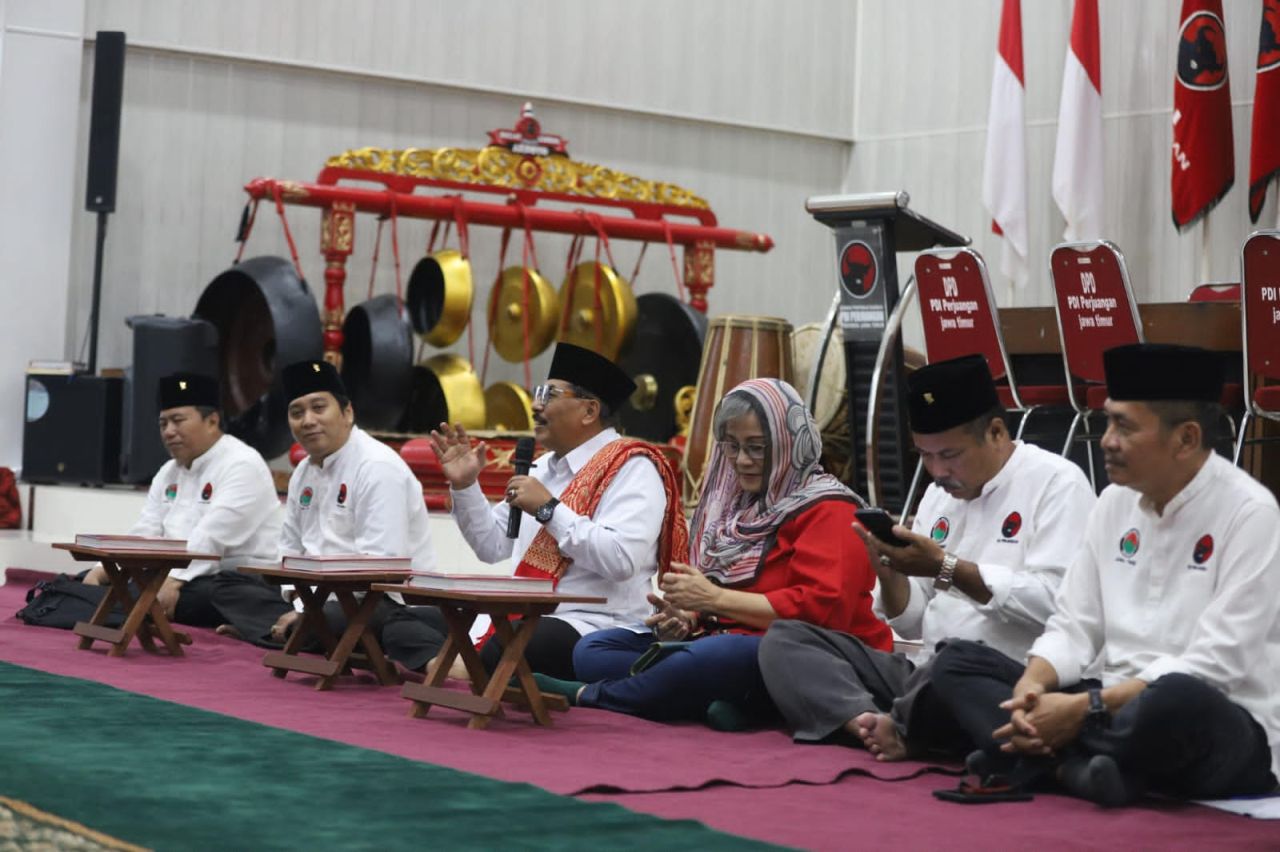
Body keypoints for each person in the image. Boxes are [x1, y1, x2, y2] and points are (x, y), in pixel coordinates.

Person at [929, 344, 1280, 806]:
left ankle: (1054, 762)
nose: (1107, 440)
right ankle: (1084, 766)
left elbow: (1215, 665)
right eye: (1108, 421)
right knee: (956, 662)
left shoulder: (1250, 513)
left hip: (1218, 721)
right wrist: (1032, 687)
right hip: (1108, 705)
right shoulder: (1114, 502)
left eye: (1124, 426)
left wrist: (1081, 710)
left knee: (1178, 696)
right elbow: (1074, 624)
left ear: (1186, 439)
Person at [758, 354, 1095, 759]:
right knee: (785, 638)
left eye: (949, 455)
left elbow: (1057, 604)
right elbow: (914, 620)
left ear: (996, 432)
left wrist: (947, 569)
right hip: (923, 674)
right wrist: (890, 571)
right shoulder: (940, 494)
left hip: (1001, 678)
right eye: (924, 456)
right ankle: (865, 720)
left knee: (955, 659)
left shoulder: (1057, 484)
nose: (936, 471)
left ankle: (904, 726)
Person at [534, 378, 892, 727]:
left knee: (712, 657)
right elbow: (714, 600)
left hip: (802, 652)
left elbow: (819, 612)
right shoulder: (734, 506)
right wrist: (687, 617)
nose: (742, 460)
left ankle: (589, 695)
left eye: (757, 447)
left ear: (790, 443)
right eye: (732, 446)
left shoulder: (829, 507)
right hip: (722, 639)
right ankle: (733, 702)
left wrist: (716, 600)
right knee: (595, 650)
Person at [421, 342, 686, 680]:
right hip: (522, 615)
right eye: (538, 392)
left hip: (591, 623)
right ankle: (464, 668)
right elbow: (492, 547)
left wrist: (549, 509)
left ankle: (457, 667)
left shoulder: (632, 466)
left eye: (549, 394)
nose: (535, 405)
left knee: (518, 645)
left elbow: (621, 560)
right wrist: (464, 485)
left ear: (589, 411)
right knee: (407, 619)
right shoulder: (542, 468)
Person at [237, 360, 439, 656]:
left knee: (325, 622)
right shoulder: (303, 473)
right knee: (231, 584)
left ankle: (277, 631)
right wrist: (302, 602)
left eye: (318, 408)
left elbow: (381, 566)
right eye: (297, 413)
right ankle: (288, 629)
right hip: (315, 597)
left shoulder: (377, 467)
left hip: (385, 602)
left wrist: (313, 608)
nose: (307, 420)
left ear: (347, 413)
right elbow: (289, 551)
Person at [81, 372, 280, 629]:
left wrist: (174, 580)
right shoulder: (168, 471)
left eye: (178, 421)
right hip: (179, 574)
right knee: (91, 581)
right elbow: (147, 531)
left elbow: (211, 538)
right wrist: (106, 568)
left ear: (212, 421)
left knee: (205, 596)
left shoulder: (242, 463)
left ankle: (101, 605)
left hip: (232, 579)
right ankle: (111, 602)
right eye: (163, 423)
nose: (169, 431)